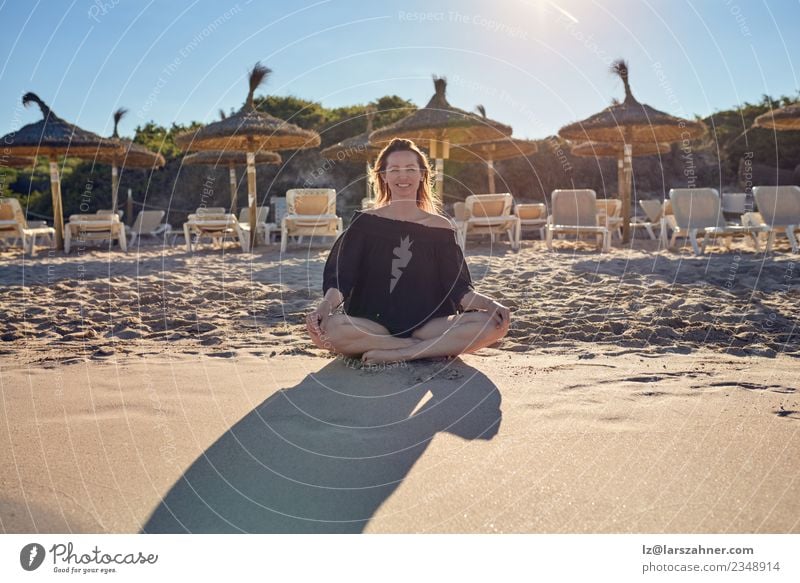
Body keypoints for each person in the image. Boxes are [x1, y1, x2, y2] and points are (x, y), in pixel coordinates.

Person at [306, 138, 510, 364]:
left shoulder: (440, 227)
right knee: (326, 330)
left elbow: (460, 290)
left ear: (422, 174)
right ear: (383, 176)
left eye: (410, 169)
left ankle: (402, 353)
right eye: (394, 169)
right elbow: (341, 279)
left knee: (494, 324)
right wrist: (324, 307)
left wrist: (492, 305)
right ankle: (420, 348)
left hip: (428, 326)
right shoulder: (364, 223)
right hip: (372, 325)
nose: (403, 176)